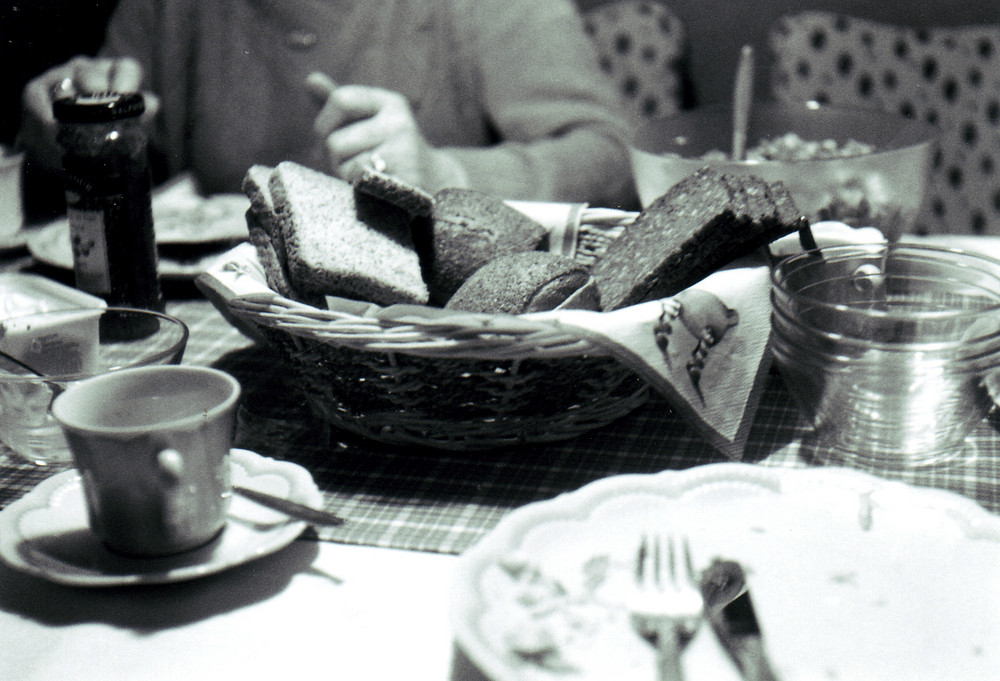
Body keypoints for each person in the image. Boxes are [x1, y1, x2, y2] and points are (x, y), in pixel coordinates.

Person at [17, 0, 639, 216]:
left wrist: (451, 179)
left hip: (434, 349)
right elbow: (104, 198)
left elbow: (613, 158)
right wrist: (64, 136)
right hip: (227, 351)